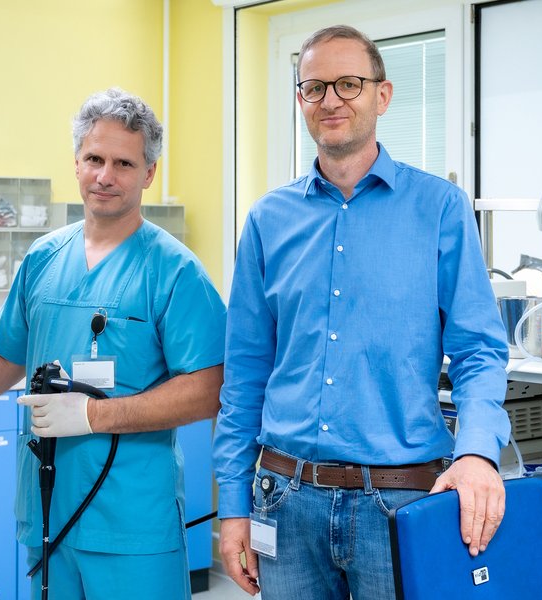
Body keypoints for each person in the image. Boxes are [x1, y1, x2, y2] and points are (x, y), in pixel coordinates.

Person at [0, 87, 227, 599]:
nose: (105, 176)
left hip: (133, 521)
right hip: (48, 508)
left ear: (149, 173)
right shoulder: (43, 258)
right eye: (94, 158)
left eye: (123, 163)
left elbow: (208, 389)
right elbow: (5, 358)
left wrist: (94, 416)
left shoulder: (175, 272)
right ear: (76, 161)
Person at [213, 25, 511, 599]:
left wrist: (476, 453)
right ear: (301, 100)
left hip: (400, 501)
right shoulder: (267, 221)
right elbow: (245, 373)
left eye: (349, 84)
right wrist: (232, 506)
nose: (331, 100)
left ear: (384, 94)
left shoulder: (440, 209)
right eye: (314, 87)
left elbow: (479, 350)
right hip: (283, 498)